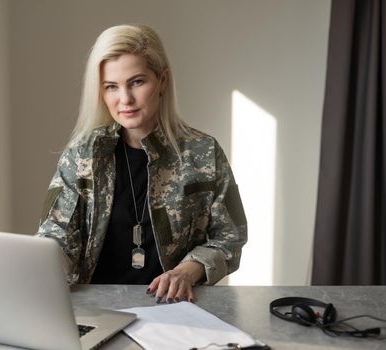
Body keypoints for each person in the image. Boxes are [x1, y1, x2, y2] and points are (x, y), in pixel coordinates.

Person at [37, 24, 247, 303]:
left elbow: (230, 237)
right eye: (111, 86)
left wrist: (186, 271)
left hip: (175, 308)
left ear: (162, 81)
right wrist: (41, 270)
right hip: (96, 309)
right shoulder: (81, 155)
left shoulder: (203, 153)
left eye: (137, 82)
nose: (125, 99)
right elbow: (55, 236)